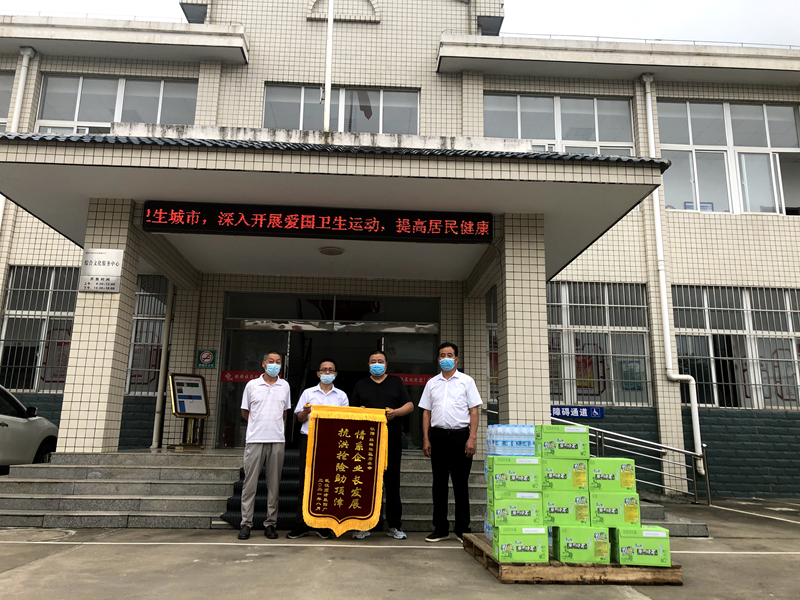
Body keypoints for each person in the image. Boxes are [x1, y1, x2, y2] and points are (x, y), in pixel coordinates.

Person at [419, 342, 483, 543]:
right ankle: (440, 528)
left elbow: (474, 411)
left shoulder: (466, 381)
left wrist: (472, 438)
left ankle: (462, 529)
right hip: (438, 437)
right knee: (439, 484)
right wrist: (426, 438)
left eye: (449, 355)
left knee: (460, 484)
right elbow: (426, 412)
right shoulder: (432, 383)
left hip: (460, 437)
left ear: (456, 359)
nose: (445, 358)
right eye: (442, 355)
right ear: (438, 359)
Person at [350, 349, 414, 540]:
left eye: (380, 361)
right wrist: (360, 411)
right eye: (373, 361)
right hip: (365, 442)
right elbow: (351, 409)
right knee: (365, 482)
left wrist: (395, 412)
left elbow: (409, 405)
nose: (376, 364)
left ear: (386, 365)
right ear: (368, 365)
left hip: (391, 440)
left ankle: (394, 525)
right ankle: (364, 524)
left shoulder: (396, 382)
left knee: (392, 483)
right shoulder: (361, 384)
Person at [286, 358, 349, 540]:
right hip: (309, 440)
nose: (327, 373)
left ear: (335, 374)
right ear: (318, 373)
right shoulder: (308, 393)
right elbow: (299, 418)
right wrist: (306, 411)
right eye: (324, 370)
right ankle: (301, 524)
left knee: (327, 482)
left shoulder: (341, 396)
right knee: (305, 481)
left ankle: (323, 525)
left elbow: (346, 420)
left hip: (332, 442)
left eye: (330, 370)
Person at [238, 351, 291, 540]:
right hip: (255, 439)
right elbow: (245, 412)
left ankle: (270, 524)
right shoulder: (252, 385)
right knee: (249, 484)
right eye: (271, 361)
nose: (275, 364)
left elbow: (284, 412)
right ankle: (246, 523)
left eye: (278, 362)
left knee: (274, 484)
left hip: (277, 439)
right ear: (263, 364)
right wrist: (258, 425)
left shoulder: (285, 386)